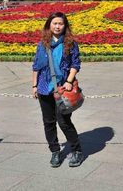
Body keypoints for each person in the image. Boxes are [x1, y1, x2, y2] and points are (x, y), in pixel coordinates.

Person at [32, 12, 84, 168]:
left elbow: (76, 64)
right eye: (54, 23)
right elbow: (36, 66)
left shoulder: (70, 43)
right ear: (49, 25)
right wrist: (34, 85)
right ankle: (55, 151)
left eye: (60, 23)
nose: (57, 26)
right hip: (43, 87)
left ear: (65, 26)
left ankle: (77, 150)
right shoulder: (43, 44)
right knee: (48, 122)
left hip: (62, 87)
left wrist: (69, 81)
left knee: (64, 121)